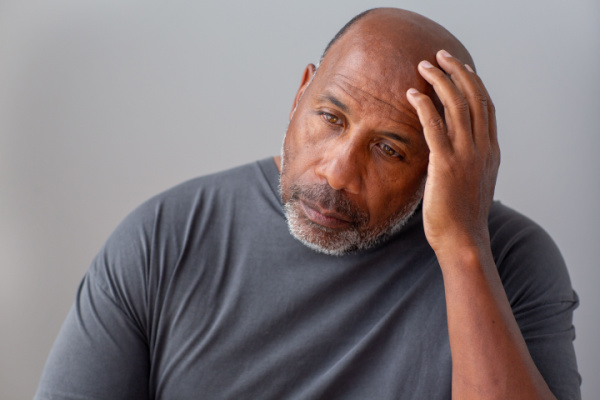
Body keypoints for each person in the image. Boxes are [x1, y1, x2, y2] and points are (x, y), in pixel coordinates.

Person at [35, 8, 580, 400]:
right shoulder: (165, 237)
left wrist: (464, 248)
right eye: (331, 118)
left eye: (389, 149)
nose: (337, 172)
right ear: (301, 94)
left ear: (444, 162)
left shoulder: (509, 262)